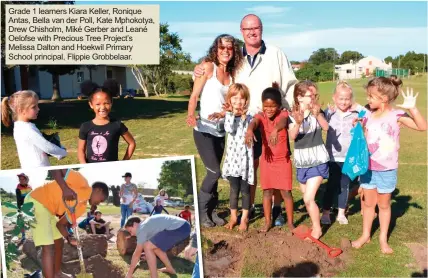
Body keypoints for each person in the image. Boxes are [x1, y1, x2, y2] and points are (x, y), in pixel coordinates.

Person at [194, 14, 298, 224]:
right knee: (248, 167)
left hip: (271, 120)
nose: (252, 32)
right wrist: (198, 67)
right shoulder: (235, 58)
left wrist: (290, 115)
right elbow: (213, 71)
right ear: (241, 32)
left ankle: (276, 209)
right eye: (247, 29)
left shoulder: (276, 53)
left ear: (261, 29)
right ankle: (246, 208)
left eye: (256, 28)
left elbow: (290, 84)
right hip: (242, 123)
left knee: (274, 165)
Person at [352, 78, 426, 254]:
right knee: (369, 205)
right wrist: (357, 125)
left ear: (384, 98)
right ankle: (365, 235)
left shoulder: (397, 115)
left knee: (384, 205)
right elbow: (360, 131)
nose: (368, 99)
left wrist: (412, 109)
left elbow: (423, 127)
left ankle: (383, 238)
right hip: (368, 167)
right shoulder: (367, 113)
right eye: (368, 95)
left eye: (371, 96)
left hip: (387, 169)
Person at [187, 33, 244, 228]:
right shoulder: (208, 67)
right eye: (222, 48)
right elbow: (194, 95)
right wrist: (190, 114)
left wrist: (225, 112)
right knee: (214, 172)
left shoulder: (232, 75)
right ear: (216, 50)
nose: (226, 51)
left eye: (229, 48)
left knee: (214, 173)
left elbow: (229, 104)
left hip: (220, 132)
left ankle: (212, 211)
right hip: (203, 128)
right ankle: (202, 213)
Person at [23, 169, 109, 278]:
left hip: (49, 210)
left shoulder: (81, 208)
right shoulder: (82, 182)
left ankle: (57, 273)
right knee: (48, 247)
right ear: (98, 190)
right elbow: (56, 170)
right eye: (101, 199)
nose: (99, 203)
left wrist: (69, 238)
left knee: (59, 242)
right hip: (36, 200)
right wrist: (65, 189)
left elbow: (60, 224)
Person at [245, 87, 294, 233]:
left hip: (282, 161)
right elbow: (253, 122)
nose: (269, 109)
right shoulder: (260, 116)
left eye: (273, 106)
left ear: (278, 106)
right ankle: (267, 222)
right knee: (267, 192)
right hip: (267, 161)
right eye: (266, 106)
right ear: (262, 105)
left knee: (286, 192)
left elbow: (283, 122)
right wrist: (249, 130)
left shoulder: (283, 114)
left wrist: (275, 130)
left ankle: (291, 223)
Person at [288, 81, 330, 239]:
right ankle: (315, 223)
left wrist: (318, 114)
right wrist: (298, 122)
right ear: (299, 98)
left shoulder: (317, 111)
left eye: (314, 95)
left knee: (308, 198)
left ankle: (317, 230)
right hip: (302, 162)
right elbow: (292, 136)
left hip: (318, 159)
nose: (313, 98)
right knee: (307, 199)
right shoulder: (292, 114)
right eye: (310, 95)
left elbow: (326, 127)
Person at [321, 81, 366, 225]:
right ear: (334, 97)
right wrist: (326, 112)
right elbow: (319, 119)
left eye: (347, 98)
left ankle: (341, 212)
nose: (344, 101)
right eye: (341, 98)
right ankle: (326, 212)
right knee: (331, 185)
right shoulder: (330, 113)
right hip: (333, 157)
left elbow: (369, 114)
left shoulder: (356, 113)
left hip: (349, 157)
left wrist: (357, 106)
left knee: (344, 185)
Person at [214, 83, 254, 231]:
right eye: (234, 98)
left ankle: (244, 218)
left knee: (245, 191)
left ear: (246, 100)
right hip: (232, 162)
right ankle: (233, 217)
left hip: (245, 162)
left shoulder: (250, 118)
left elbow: (247, 130)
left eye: (241, 99)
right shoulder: (228, 117)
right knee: (233, 190)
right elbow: (230, 128)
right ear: (229, 100)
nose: (238, 101)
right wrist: (230, 113)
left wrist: (243, 116)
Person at [1, 90, 67, 168]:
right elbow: (47, 146)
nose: (38, 109)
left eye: (37, 105)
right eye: (34, 107)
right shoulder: (27, 129)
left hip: (30, 167)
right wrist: (62, 152)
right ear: (21, 110)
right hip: (38, 169)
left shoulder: (19, 126)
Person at [78, 79, 136, 163]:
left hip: (112, 171)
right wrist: (85, 167)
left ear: (111, 102)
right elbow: (81, 149)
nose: (102, 107)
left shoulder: (117, 125)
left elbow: (132, 143)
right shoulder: (85, 126)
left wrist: (123, 163)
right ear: (91, 104)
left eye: (106, 103)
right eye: (98, 104)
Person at [124, 215, 191, 278]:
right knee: (155, 247)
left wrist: (129, 273)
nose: (132, 234)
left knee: (147, 246)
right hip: (184, 226)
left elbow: (137, 253)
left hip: (179, 228)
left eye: (130, 231)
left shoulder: (141, 229)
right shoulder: (146, 225)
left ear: (135, 224)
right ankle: (169, 268)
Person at [16, 173, 32, 241]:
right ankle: (23, 236)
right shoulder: (18, 189)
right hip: (22, 207)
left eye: (23, 179)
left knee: (33, 221)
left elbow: (32, 197)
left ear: (26, 180)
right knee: (22, 222)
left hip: (30, 207)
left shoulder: (30, 187)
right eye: (20, 179)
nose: (21, 180)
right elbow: (19, 200)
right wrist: (20, 209)